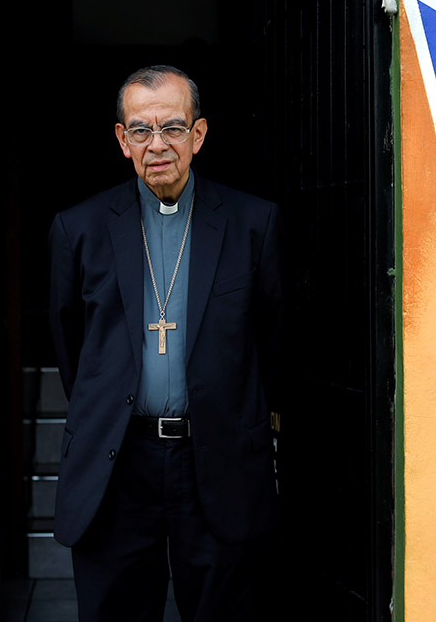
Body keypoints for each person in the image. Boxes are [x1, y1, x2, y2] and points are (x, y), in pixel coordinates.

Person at [49, 65, 283, 621]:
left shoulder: (254, 223)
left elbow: (272, 338)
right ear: (121, 139)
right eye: (141, 130)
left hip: (218, 456)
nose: (158, 145)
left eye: (173, 128)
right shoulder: (77, 229)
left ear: (198, 135)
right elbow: (70, 346)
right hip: (118, 462)